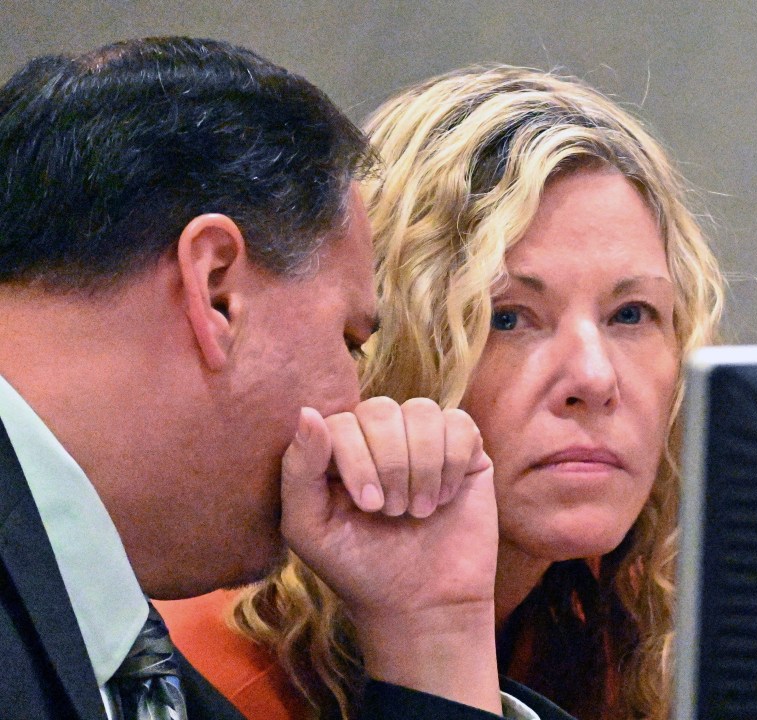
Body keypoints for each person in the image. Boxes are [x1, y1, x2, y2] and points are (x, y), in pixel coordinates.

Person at [0, 40, 569, 720]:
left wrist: (431, 632)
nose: (355, 407)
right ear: (217, 293)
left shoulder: (111, 643)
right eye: (351, 343)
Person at [159, 65, 726, 720]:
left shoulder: (624, 625)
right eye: (506, 318)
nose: (595, 380)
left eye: (631, 314)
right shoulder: (212, 675)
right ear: (384, 342)